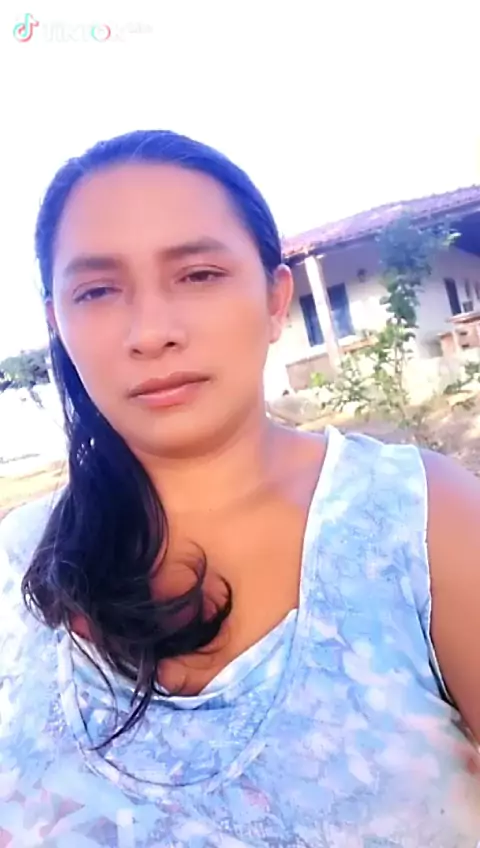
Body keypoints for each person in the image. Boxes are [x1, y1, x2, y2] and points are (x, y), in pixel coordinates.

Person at [0, 129, 479, 848]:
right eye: (97, 291)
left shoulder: (421, 522)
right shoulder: (14, 571)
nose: (151, 332)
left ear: (276, 298)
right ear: (56, 324)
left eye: (198, 275)